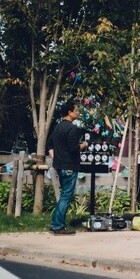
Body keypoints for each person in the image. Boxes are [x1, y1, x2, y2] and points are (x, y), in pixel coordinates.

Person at [47, 98, 89, 235]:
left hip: (60, 165)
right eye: (76, 110)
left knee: (64, 195)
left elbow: (50, 144)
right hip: (70, 166)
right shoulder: (72, 128)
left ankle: (56, 223)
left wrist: (56, 158)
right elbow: (73, 148)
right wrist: (84, 145)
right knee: (66, 196)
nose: (78, 112)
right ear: (70, 112)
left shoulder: (58, 127)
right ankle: (58, 226)